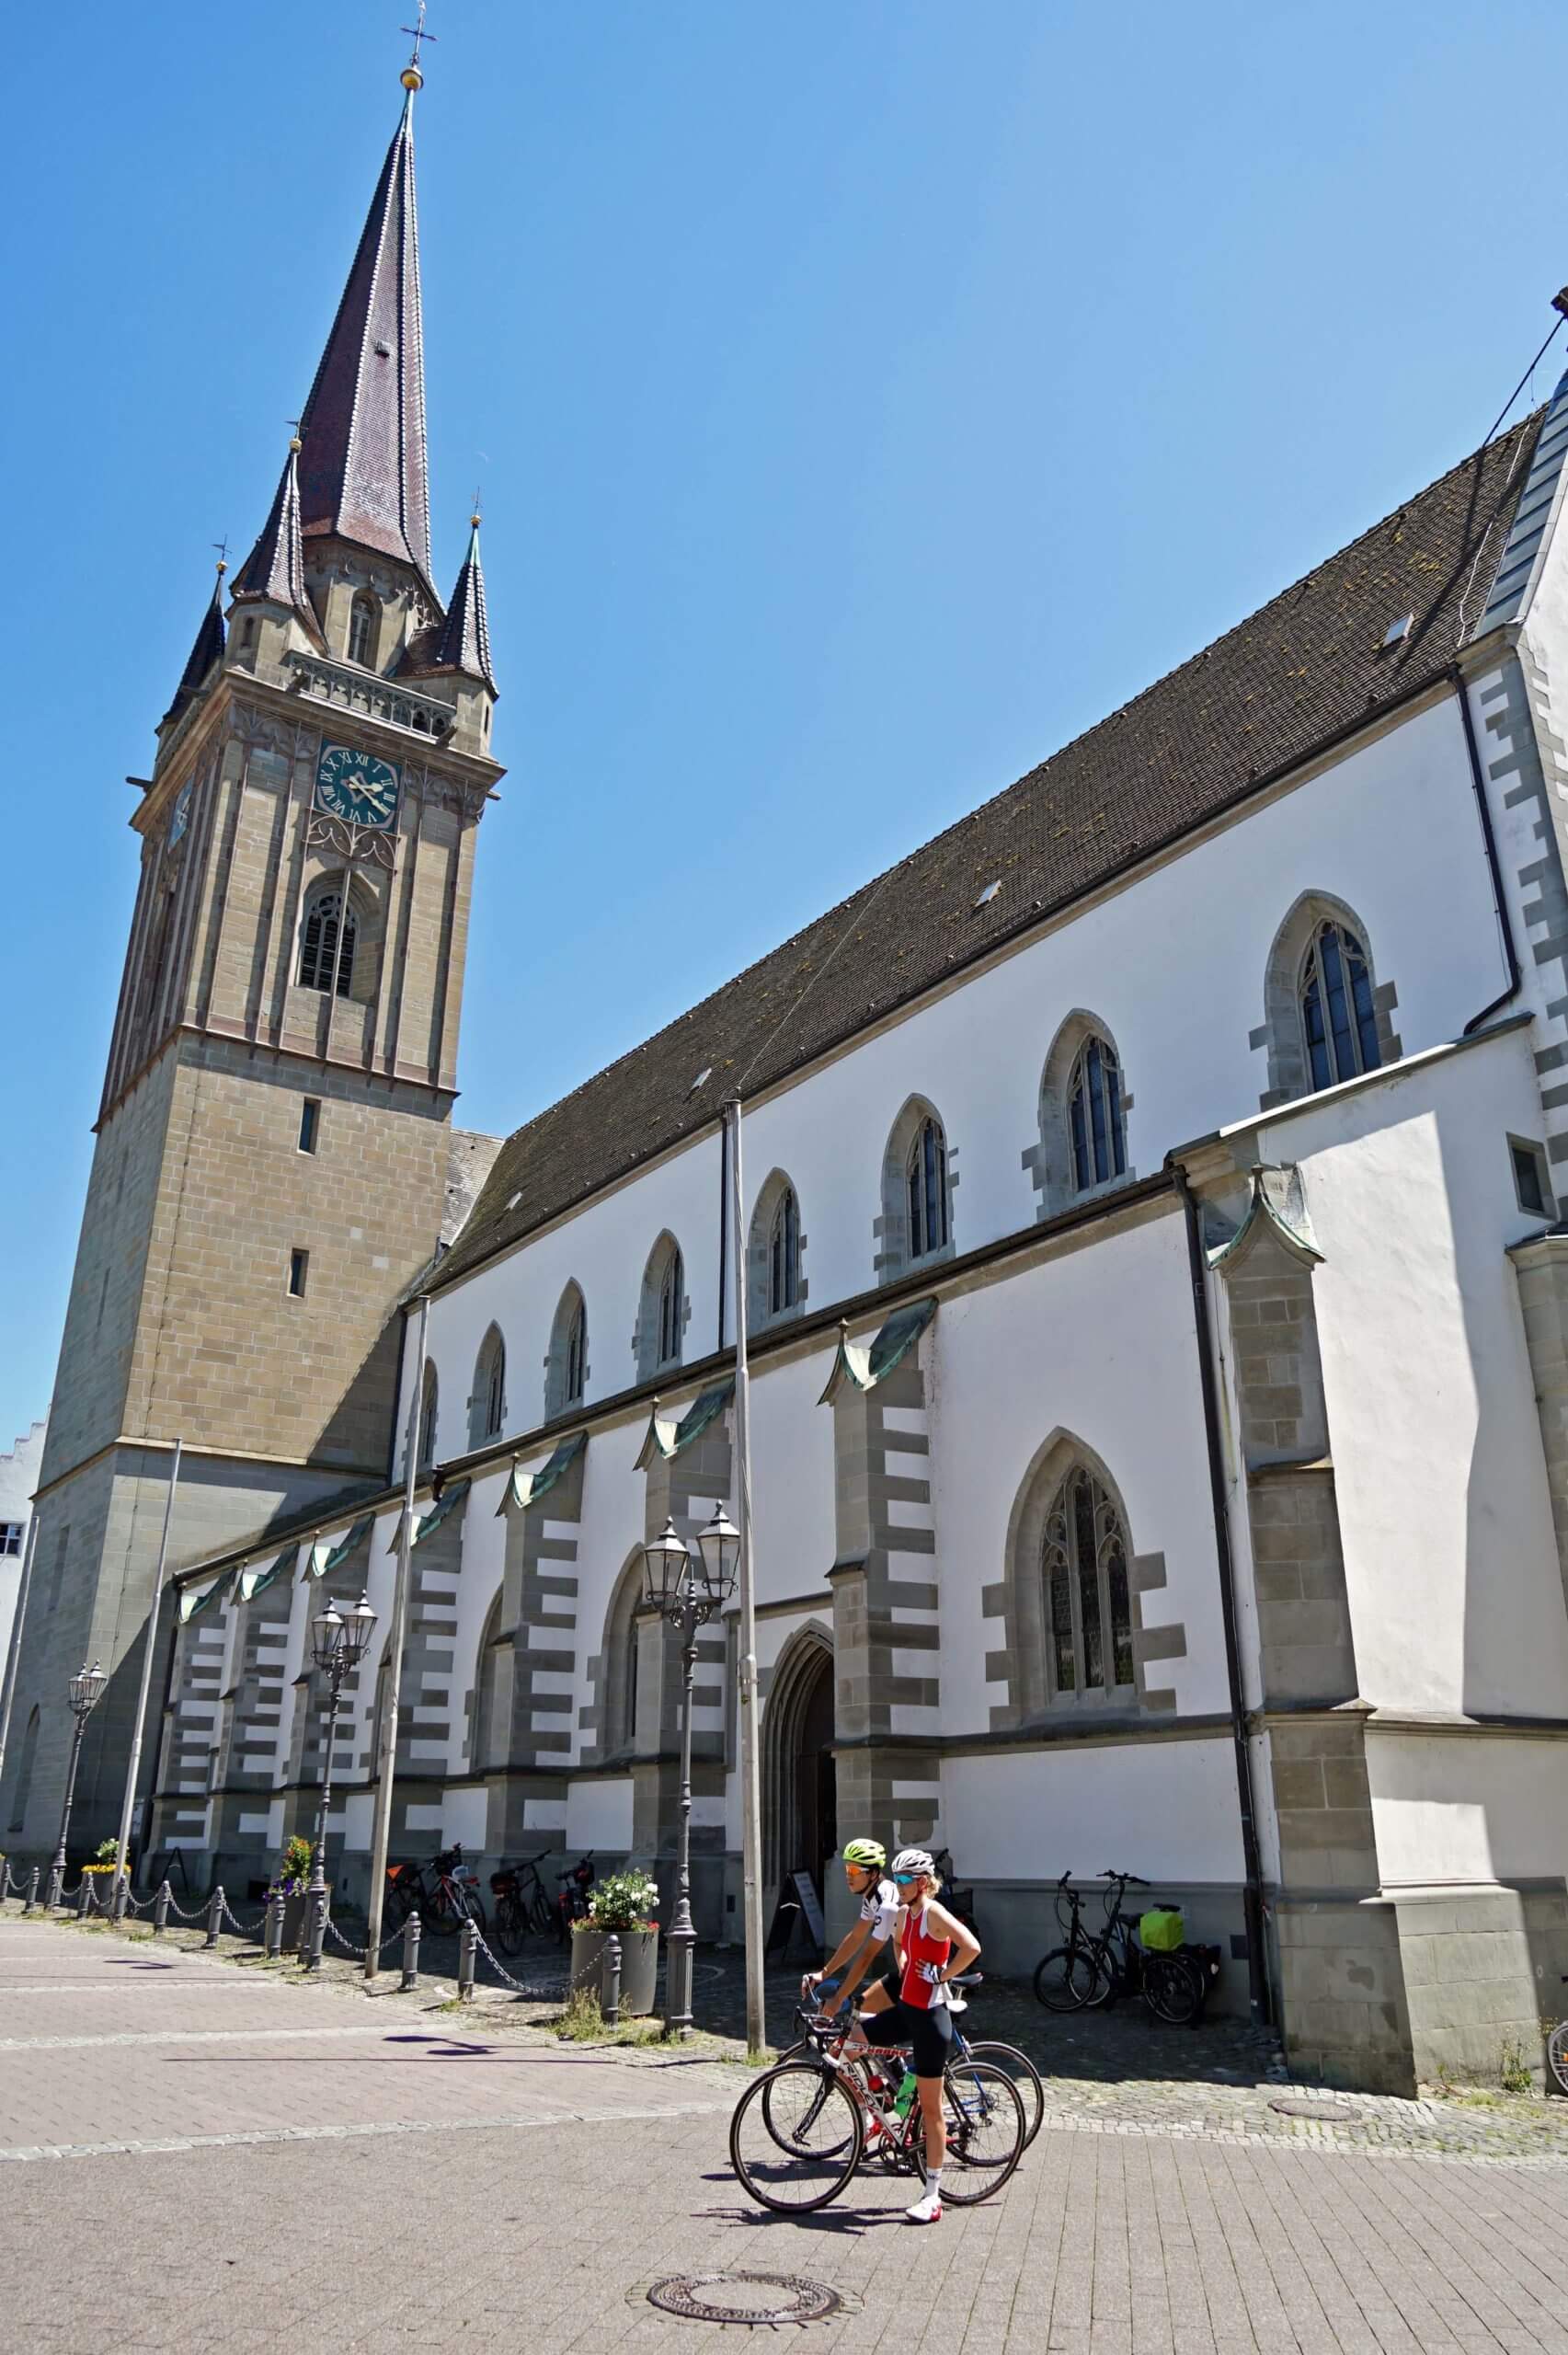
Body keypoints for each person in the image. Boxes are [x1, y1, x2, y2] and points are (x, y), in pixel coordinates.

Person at [843, 1846, 979, 2225]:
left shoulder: (934, 1913)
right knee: (850, 2044)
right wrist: (904, 1963)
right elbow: (899, 1942)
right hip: (906, 2011)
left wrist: (942, 1975)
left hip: (931, 2020)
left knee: (932, 2109)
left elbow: (972, 1947)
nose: (899, 1885)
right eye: (897, 1879)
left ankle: (932, 2196)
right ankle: (883, 2110)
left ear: (922, 1882)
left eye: (905, 1880)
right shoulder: (905, 1914)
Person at [807, 1839, 899, 2019]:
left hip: (921, 1972)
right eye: (847, 1869)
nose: (849, 1876)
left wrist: (839, 1998)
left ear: (873, 1874)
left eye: (855, 1871)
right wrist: (824, 1973)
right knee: (863, 2012)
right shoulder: (872, 1896)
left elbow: (866, 1958)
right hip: (909, 1969)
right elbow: (856, 1937)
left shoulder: (884, 1903)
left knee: (863, 2013)